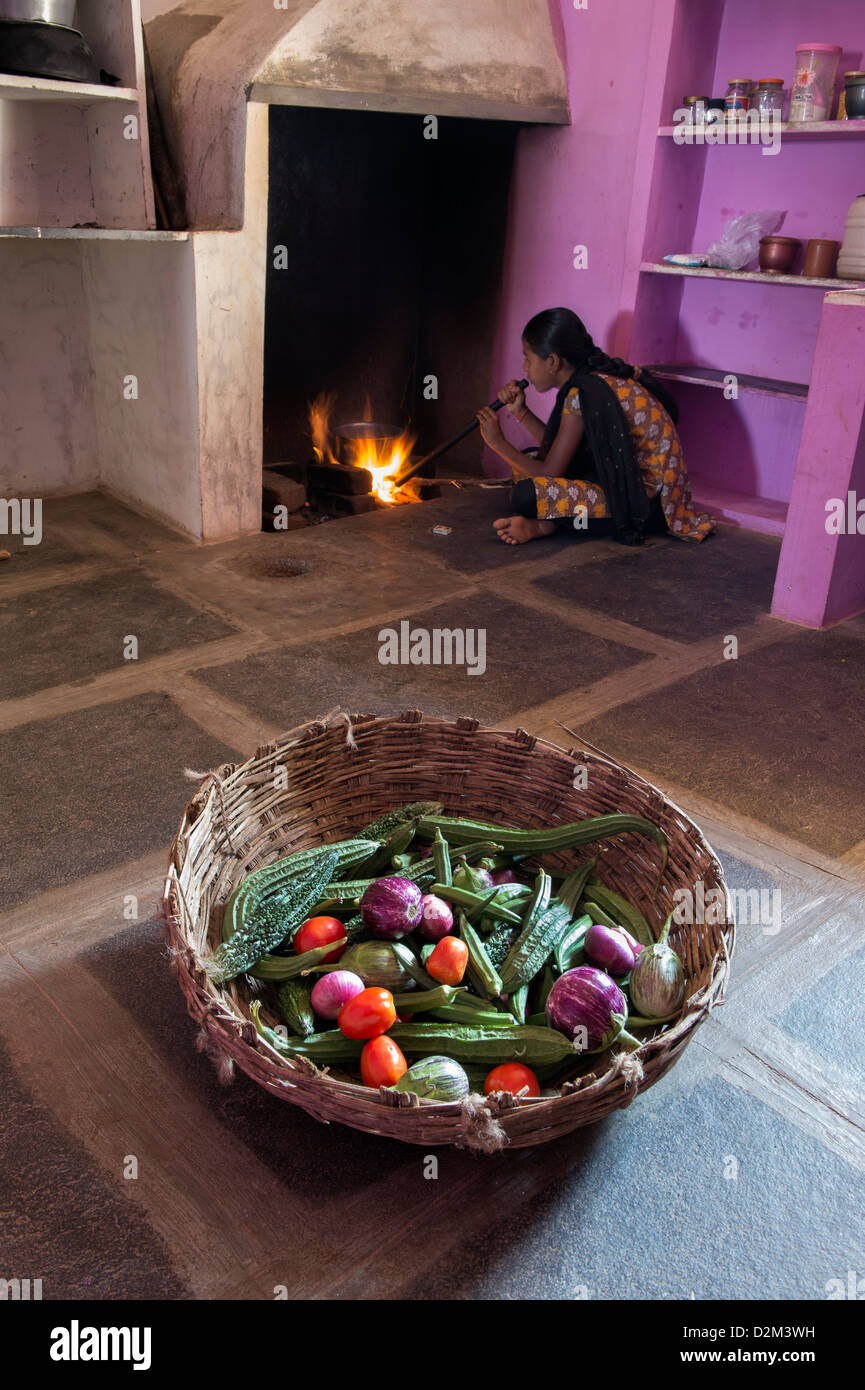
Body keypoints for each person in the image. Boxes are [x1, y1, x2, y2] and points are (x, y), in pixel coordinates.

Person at [477, 307, 716, 546]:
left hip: (649, 504)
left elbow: (551, 472)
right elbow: (561, 450)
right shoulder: (591, 381)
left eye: (527, 358)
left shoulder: (583, 392)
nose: (524, 368)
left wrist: (497, 442)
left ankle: (546, 523)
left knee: (526, 494)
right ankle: (548, 521)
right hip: (622, 481)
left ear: (552, 361)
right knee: (528, 461)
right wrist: (521, 413)